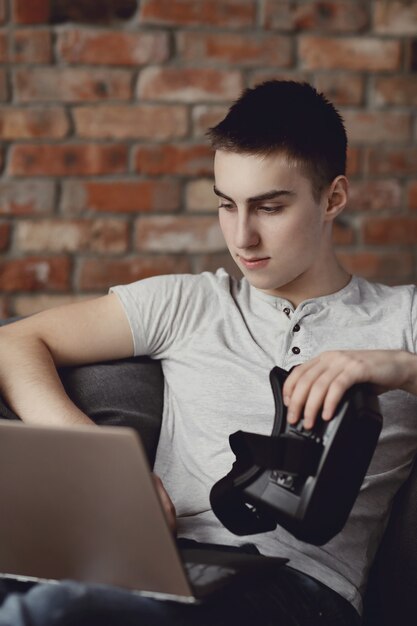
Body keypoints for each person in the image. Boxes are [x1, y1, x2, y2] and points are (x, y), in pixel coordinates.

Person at [0, 80, 416, 626]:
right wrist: (106, 465)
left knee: (50, 611)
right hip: (155, 572)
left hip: (297, 592)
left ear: (333, 198)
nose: (241, 237)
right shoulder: (189, 302)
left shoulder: (403, 317)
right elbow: (14, 342)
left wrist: (398, 365)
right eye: (227, 205)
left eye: (269, 207)